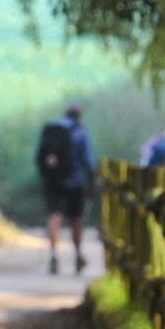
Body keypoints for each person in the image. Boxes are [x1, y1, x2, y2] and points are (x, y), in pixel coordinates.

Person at [35, 102, 95, 274]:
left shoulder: (52, 130)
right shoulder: (80, 132)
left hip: (53, 182)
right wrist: (91, 183)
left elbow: (40, 157)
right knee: (75, 219)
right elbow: (88, 161)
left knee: (55, 216)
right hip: (75, 182)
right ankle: (77, 254)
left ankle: (54, 254)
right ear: (79, 115)